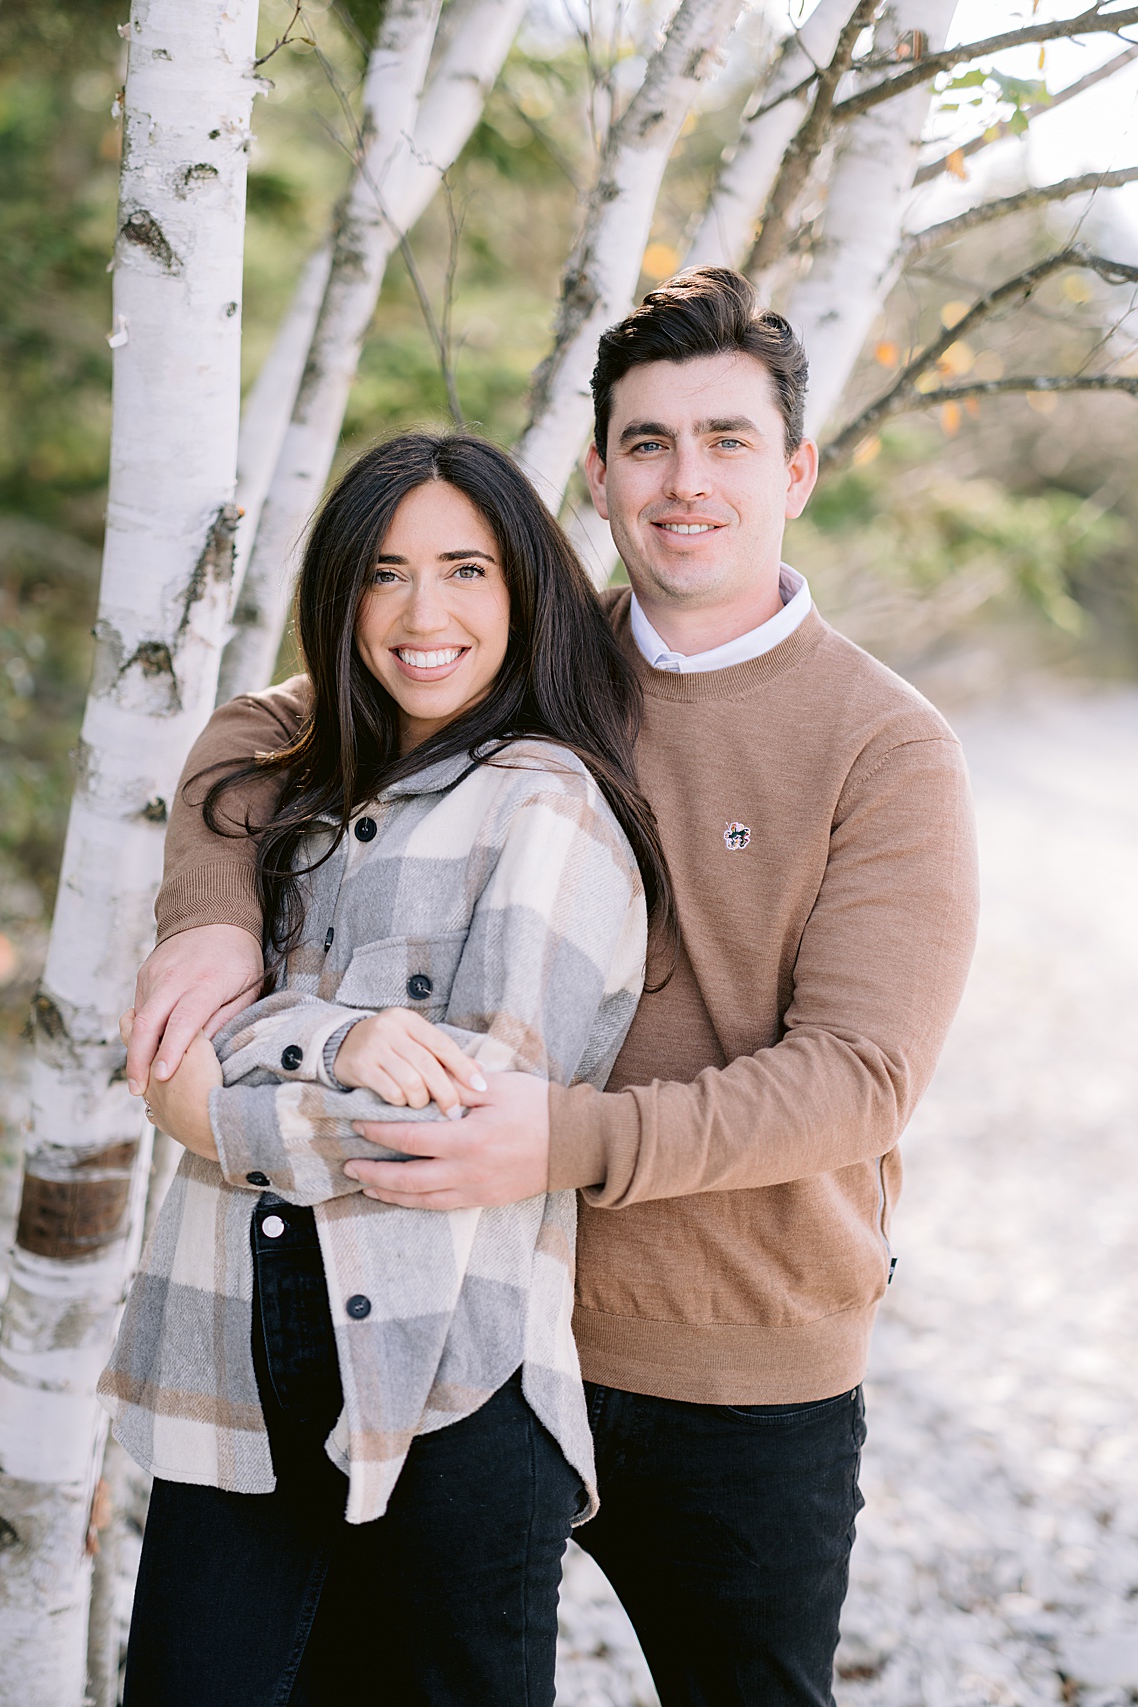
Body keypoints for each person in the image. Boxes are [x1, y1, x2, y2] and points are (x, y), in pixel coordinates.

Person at [125, 269, 981, 1707]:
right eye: (648, 442)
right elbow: (270, 721)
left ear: (799, 469)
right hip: (478, 1326)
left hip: (732, 1358)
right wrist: (208, 910)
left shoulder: (886, 742)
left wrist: (564, 1137)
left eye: (726, 440)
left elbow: (859, 1076)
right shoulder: (537, 646)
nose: (685, 479)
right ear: (598, 473)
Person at [100, 431, 674, 1707]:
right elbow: (170, 1044)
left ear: (524, 590)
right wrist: (337, 1039)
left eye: (466, 569)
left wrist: (218, 1102)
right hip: (229, 1359)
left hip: (446, 1379)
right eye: (385, 572)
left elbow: (464, 1119)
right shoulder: (290, 792)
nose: (424, 614)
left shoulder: (550, 805)